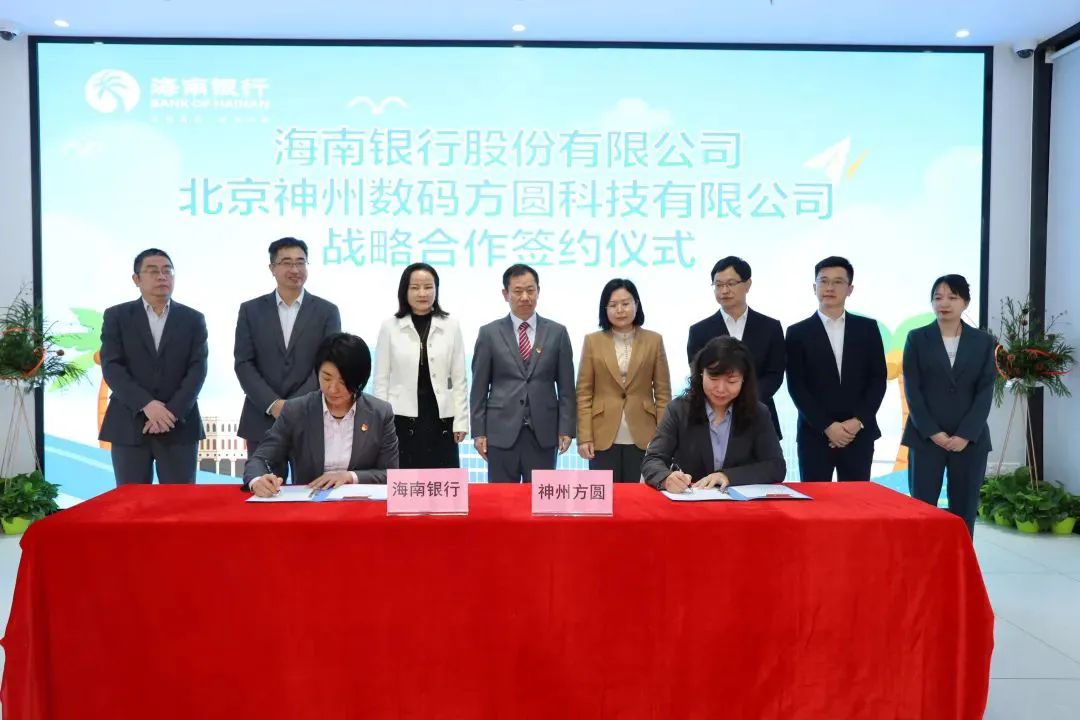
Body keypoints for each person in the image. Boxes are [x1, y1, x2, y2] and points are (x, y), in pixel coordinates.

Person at [234, 237, 341, 479]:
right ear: (272, 268)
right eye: (286, 262)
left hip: (311, 417)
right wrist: (273, 404)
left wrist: (293, 406)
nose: (295, 269)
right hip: (262, 418)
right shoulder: (250, 310)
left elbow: (329, 365)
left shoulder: (327, 311)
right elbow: (243, 363)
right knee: (265, 493)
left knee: (314, 493)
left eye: (300, 262)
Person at [99, 248, 208, 485]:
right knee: (132, 502)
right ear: (136, 279)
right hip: (129, 424)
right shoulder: (117, 316)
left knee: (180, 502)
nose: (162, 276)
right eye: (152, 271)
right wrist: (147, 405)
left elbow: (197, 369)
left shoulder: (193, 319)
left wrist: (171, 412)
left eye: (167, 271)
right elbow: (112, 367)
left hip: (179, 425)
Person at [244, 333, 398, 496]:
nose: (332, 389)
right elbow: (260, 459)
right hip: (309, 505)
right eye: (326, 378)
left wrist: (350, 477)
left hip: (360, 505)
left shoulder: (380, 413)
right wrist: (257, 480)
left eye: (343, 381)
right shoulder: (296, 411)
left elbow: (390, 474)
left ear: (359, 379)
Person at [902, 274, 996, 536]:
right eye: (938, 297)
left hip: (970, 441)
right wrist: (933, 432)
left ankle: (960, 560)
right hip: (926, 438)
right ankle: (923, 559)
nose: (944, 303)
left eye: (952, 297)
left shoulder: (983, 341)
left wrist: (965, 434)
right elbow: (913, 390)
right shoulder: (917, 338)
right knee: (922, 510)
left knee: (964, 512)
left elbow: (985, 391)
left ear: (965, 302)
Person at [471, 264, 575, 483]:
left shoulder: (557, 332)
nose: (525, 297)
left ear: (539, 291)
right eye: (518, 291)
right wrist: (479, 432)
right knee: (501, 500)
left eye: (530, 290)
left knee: (541, 497)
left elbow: (567, 388)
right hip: (500, 431)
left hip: (543, 433)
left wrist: (566, 428)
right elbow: (478, 388)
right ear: (505, 294)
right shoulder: (489, 333)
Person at [785, 256, 887, 482]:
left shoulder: (867, 328)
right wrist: (827, 427)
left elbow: (878, 379)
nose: (829, 288)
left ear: (850, 289)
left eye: (838, 282)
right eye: (823, 281)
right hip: (814, 434)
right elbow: (796, 386)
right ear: (814, 287)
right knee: (815, 501)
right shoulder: (797, 333)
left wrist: (857, 421)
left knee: (856, 500)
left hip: (858, 433)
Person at [642, 337, 785, 491]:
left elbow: (776, 466)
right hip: (691, 500)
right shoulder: (679, 410)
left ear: (744, 380)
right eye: (713, 378)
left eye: (731, 381)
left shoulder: (758, 413)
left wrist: (727, 476)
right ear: (701, 373)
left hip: (739, 503)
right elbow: (652, 459)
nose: (721, 389)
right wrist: (666, 478)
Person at [576, 278, 672, 482]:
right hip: (602, 434)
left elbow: (663, 394)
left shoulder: (654, 340)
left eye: (626, 303)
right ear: (605, 309)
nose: (620, 310)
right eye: (613, 305)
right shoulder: (593, 341)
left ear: (636, 304)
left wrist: (664, 438)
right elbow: (583, 393)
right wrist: (584, 436)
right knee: (604, 495)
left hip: (644, 434)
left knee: (640, 496)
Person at [374, 263, 468, 468]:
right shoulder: (390, 326)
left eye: (428, 287)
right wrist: (380, 423)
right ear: (404, 291)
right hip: (401, 418)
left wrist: (461, 421)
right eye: (415, 287)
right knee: (405, 479)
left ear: (436, 289)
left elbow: (459, 379)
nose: (422, 293)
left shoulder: (451, 325)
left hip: (441, 417)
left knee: (443, 480)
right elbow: (381, 380)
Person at [686, 256, 785, 437]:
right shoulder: (699, 331)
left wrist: (747, 400)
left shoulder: (770, 327)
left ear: (748, 285)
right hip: (714, 420)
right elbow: (697, 373)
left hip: (759, 416)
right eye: (718, 285)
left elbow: (775, 374)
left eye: (731, 283)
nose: (724, 290)